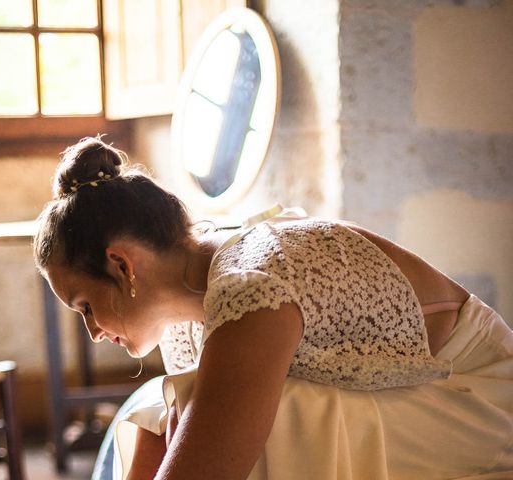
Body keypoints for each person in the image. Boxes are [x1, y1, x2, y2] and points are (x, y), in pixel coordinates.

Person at [33, 136, 513, 480]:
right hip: (406, 396)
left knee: (283, 417)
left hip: (476, 398)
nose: (93, 331)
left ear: (121, 264)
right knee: (169, 405)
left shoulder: (249, 284)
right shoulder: (192, 299)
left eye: (85, 307)